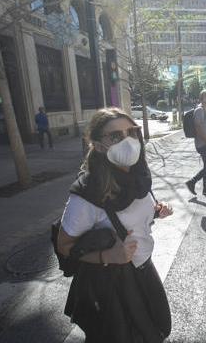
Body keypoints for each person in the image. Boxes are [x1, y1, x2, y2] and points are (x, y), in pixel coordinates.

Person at [57, 108, 173, 342]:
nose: (128, 140)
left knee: (160, 326)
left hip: (143, 266)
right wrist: (108, 255)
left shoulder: (139, 176)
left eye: (132, 132)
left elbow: (133, 217)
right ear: (99, 145)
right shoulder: (87, 193)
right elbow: (64, 246)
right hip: (112, 279)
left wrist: (156, 213)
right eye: (116, 136)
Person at [186, 89, 206, 196]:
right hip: (202, 144)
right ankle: (192, 182)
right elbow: (198, 127)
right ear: (203, 98)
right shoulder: (199, 110)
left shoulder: (205, 109)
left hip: (205, 143)